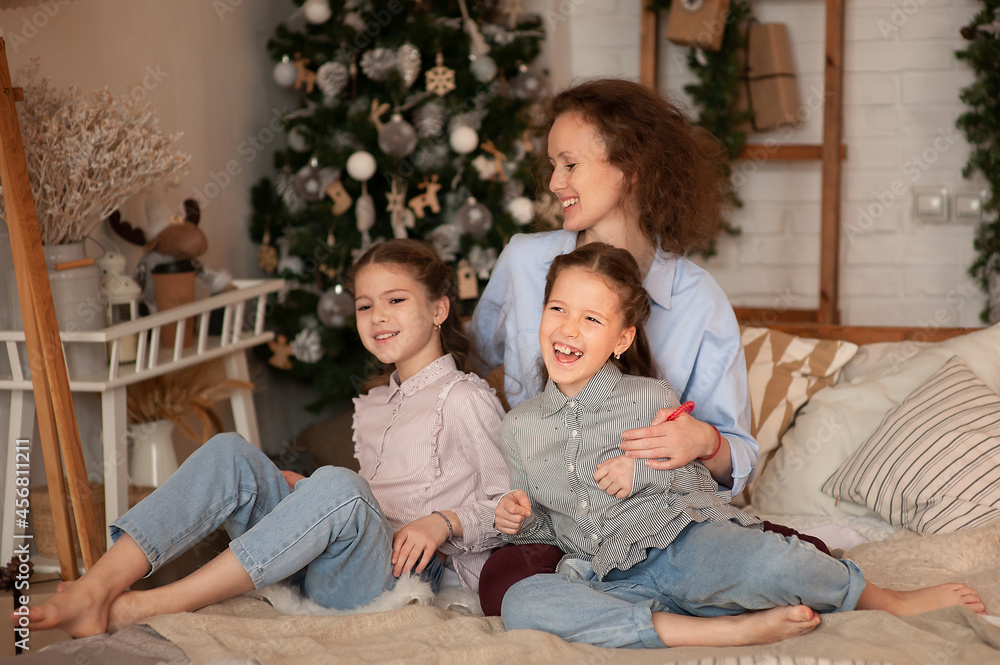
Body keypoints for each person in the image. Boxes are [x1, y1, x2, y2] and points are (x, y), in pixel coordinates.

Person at [493, 243, 985, 649]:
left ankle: (887, 599)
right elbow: (545, 528)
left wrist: (637, 470)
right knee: (523, 603)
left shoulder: (649, 397)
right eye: (557, 309)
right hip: (601, 577)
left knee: (771, 559)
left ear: (622, 340)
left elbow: (696, 487)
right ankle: (720, 631)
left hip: (681, 549)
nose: (568, 328)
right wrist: (518, 515)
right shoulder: (519, 427)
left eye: (591, 319)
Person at [15, 238, 509, 639]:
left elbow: (511, 511)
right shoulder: (380, 401)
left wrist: (442, 522)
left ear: (440, 309)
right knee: (234, 452)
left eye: (396, 300)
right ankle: (98, 586)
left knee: (339, 486)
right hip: (338, 562)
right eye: (364, 305)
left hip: (406, 577)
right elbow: (382, 495)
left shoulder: (465, 399)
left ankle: (157, 602)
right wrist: (311, 496)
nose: (378, 317)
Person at [470, 77, 826, 614]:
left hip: (660, 514)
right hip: (559, 521)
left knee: (806, 557)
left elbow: (737, 452)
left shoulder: (699, 299)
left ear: (630, 170)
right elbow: (470, 370)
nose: (552, 182)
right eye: (551, 165)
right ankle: (672, 608)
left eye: (569, 164)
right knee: (502, 585)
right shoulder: (524, 261)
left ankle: (643, 595)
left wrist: (703, 441)